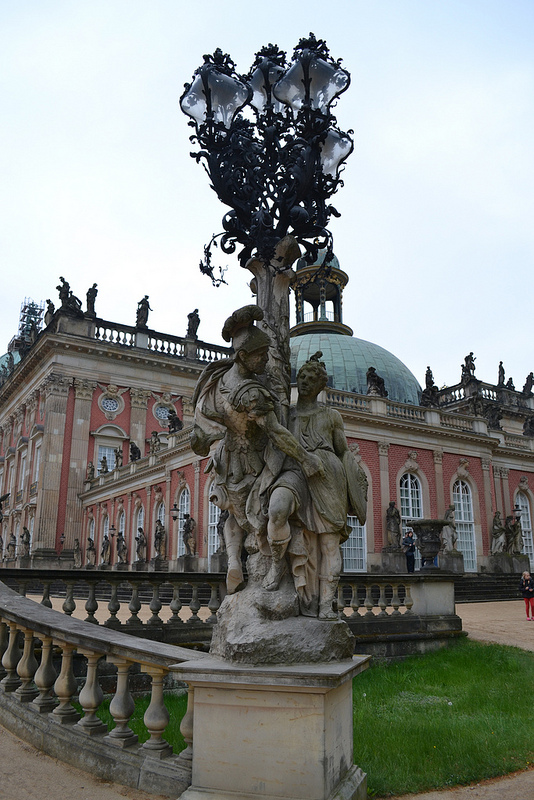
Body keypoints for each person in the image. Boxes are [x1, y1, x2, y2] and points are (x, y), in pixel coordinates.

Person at [191, 305, 327, 596]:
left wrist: (204, 440)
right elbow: (278, 433)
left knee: (234, 514)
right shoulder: (252, 394)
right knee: (263, 515)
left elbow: (201, 432)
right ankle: (274, 565)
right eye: (260, 356)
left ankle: (233, 562)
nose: (266, 360)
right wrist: (306, 458)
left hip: (228, 460)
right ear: (243, 356)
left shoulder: (214, 379)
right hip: (257, 461)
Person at [262, 352, 368, 619]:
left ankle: (325, 605)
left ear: (322, 386)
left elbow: (343, 453)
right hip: (295, 472)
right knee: (277, 509)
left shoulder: (332, 416)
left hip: (327, 477)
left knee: (329, 546)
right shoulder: (287, 415)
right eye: (303, 377)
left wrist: (356, 489)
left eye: (313, 379)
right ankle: (276, 565)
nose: (307, 382)